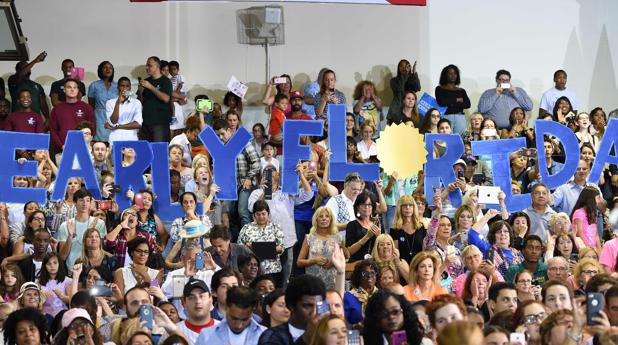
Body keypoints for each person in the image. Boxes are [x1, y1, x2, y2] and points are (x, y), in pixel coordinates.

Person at [212, 118, 260, 230]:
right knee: (228, 212)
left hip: (244, 183)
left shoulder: (241, 143)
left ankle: (247, 239)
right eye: (217, 135)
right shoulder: (220, 148)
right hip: (229, 186)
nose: (220, 137)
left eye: (222, 134)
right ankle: (233, 240)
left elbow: (256, 162)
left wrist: (249, 178)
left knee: (242, 211)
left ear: (229, 130)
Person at [257, 274, 326, 345]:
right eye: (307, 306)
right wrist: (306, 338)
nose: (314, 312)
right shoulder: (272, 337)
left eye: (319, 306)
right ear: (291, 307)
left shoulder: (328, 333)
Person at [161, 242, 219, 318]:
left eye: (197, 257)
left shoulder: (209, 273)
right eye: (191, 259)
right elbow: (165, 292)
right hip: (182, 317)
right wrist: (185, 276)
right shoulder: (175, 274)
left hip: (206, 316)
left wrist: (215, 268)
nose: (194, 261)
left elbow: (228, 285)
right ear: (182, 259)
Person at [297, 207, 347, 290]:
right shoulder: (309, 238)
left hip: (334, 282)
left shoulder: (338, 238)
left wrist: (333, 262)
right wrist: (314, 261)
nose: (324, 218)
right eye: (321, 216)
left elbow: (346, 257)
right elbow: (299, 262)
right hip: (313, 284)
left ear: (331, 219)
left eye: (327, 216)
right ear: (316, 220)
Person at [197, 286, 266, 345]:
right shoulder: (206, 336)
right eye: (234, 318)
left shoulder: (265, 336)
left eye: (244, 319)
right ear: (226, 307)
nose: (239, 325)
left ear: (252, 312)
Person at [238, 201, 285, 278]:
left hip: (272, 269)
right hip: (252, 271)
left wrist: (255, 248)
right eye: (258, 214)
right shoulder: (246, 228)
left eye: (263, 214)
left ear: (268, 214)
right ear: (254, 215)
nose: (261, 217)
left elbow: (281, 248)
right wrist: (270, 249)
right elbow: (240, 248)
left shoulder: (276, 227)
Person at [49, 79, 96, 154]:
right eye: (69, 87)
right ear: (64, 90)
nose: (72, 89)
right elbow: (53, 131)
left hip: (83, 150)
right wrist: (61, 146)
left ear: (78, 90)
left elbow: (93, 128)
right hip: (63, 150)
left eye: (75, 87)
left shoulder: (87, 108)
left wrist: (87, 144)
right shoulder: (56, 109)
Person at [138, 56, 173, 142]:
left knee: (159, 150)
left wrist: (150, 87)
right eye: (146, 65)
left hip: (160, 123)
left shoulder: (165, 81)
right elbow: (141, 101)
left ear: (157, 66)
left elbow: (166, 98)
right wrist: (140, 92)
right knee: (145, 150)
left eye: (149, 65)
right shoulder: (146, 81)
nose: (146, 68)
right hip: (145, 122)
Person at [174, 278, 218, 343]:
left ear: (210, 299)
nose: (198, 301)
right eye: (191, 297)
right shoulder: (173, 331)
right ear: (184, 302)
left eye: (202, 296)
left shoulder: (225, 329)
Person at [8, 52, 50, 119]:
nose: (28, 68)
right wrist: (35, 61)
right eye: (24, 67)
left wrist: (47, 119)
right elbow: (20, 75)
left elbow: (43, 105)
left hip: (35, 121)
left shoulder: (37, 86)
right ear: (17, 70)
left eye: (28, 66)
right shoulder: (13, 81)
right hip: (18, 120)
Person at [345, 191, 382, 264]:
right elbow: (349, 251)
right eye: (363, 204)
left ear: (373, 207)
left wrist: (379, 237)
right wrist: (367, 237)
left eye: (369, 205)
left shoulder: (378, 224)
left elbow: (383, 247)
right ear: (358, 207)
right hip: (357, 264)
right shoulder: (352, 225)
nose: (366, 207)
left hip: (375, 264)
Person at [105, 76, 142, 144]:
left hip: (132, 139)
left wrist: (117, 126)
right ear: (118, 87)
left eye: (127, 86)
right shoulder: (110, 102)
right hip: (115, 139)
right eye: (122, 86)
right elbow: (113, 122)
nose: (125, 88)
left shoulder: (136, 103)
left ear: (130, 88)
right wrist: (118, 102)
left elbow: (138, 124)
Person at [435, 64, 471, 134]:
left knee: (461, 140)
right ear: (445, 75)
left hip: (460, 117)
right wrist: (457, 100)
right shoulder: (439, 88)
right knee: (446, 140)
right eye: (450, 73)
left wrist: (450, 102)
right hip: (446, 117)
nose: (453, 75)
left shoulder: (461, 90)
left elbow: (467, 104)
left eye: (455, 73)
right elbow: (442, 102)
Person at [87, 60, 118, 141]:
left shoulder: (117, 85)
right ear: (100, 70)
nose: (108, 70)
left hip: (114, 116)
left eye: (110, 68)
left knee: (114, 141)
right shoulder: (94, 85)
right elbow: (91, 105)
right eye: (105, 68)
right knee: (100, 142)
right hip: (99, 117)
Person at [343, 259, 378, 325]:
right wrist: (355, 326)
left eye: (372, 273)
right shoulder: (348, 297)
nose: (369, 276)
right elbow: (344, 322)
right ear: (358, 277)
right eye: (365, 273)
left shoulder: (382, 295)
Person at [386, 59, 421, 123]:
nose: (404, 68)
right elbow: (400, 89)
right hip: (396, 110)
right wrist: (405, 75)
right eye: (401, 66)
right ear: (398, 68)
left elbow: (418, 88)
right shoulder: (394, 80)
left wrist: (414, 72)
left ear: (409, 68)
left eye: (406, 66)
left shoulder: (411, 80)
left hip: (409, 111)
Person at [571, 186, 602, 250]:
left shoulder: (593, 213)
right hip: (583, 249)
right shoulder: (579, 213)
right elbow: (579, 233)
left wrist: (599, 251)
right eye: (598, 198)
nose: (599, 201)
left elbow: (596, 235)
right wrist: (588, 249)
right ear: (591, 199)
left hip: (593, 250)